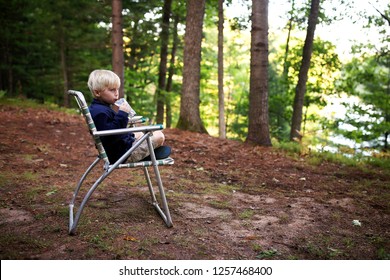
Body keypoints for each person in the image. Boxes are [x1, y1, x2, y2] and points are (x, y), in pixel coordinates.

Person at [87, 69, 170, 163]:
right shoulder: (100, 112)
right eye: (112, 90)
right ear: (97, 92)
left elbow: (113, 128)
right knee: (159, 135)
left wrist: (126, 119)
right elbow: (112, 136)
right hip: (121, 155)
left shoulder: (100, 108)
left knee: (145, 133)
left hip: (121, 147)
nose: (116, 93)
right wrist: (122, 114)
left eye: (117, 89)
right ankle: (144, 155)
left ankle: (147, 152)